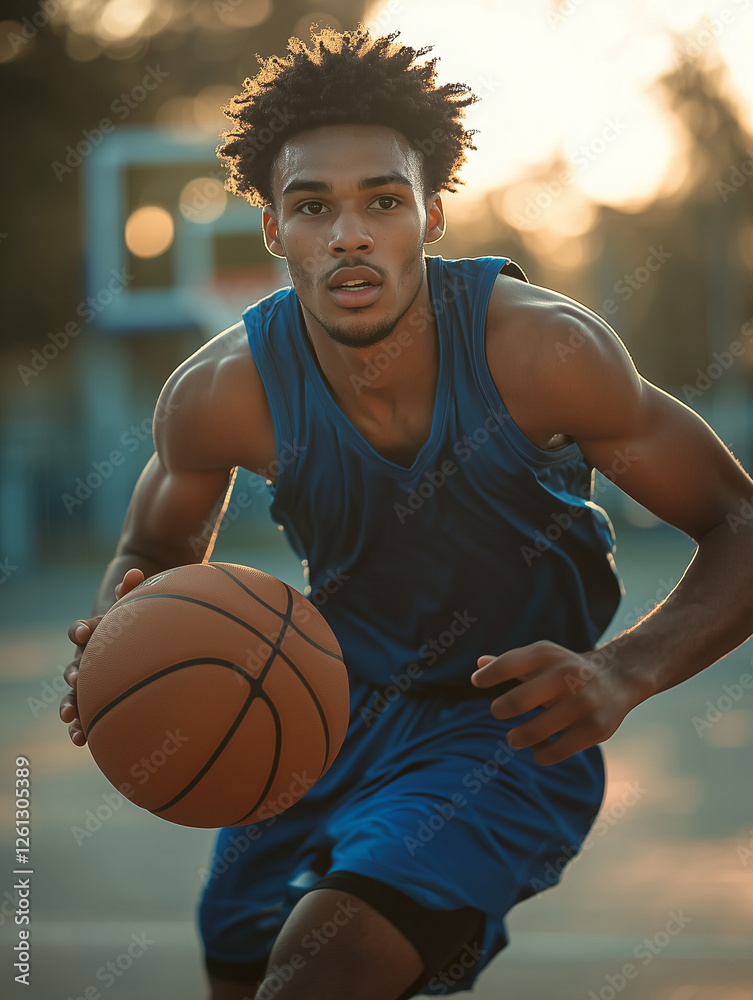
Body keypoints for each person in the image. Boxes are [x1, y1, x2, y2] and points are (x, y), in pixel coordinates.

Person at [60, 26, 753, 1000]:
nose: (349, 234)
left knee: (324, 969)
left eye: (382, 200)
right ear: (272, 228)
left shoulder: (546, 354)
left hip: (501, 728)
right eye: (312, 206)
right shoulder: (222, 391)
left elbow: (739, 520)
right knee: (239, 966)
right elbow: (155, 547)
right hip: (308, 713)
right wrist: (121, 641)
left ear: (430, 217)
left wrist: (623, 670)